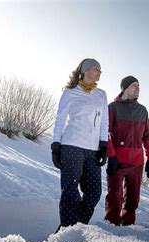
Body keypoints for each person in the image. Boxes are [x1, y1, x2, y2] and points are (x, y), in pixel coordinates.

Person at [51, 58, 108, 232]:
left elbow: (104, 121)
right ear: (85, 71)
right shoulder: (70, 93)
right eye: (96, 68)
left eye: (100, 69)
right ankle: (68, 229)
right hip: (71, 145)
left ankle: (74, 228)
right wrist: (55, 144)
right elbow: (60, 119)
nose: (99, 72)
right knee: (70, 189)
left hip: (92, 149)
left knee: (94, 192)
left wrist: (104, 144)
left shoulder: (101, 94)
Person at [105, 75, 149, 226]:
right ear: (125, 88)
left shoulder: (142, 110)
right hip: (117, 161)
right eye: (134, 85)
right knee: (114, 197)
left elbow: (147, 136)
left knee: (133, 199)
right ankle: (112, 227)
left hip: (137, 162)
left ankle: (128, 226)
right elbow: (104, 133)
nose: (138, 88)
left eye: (139, 85)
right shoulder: (112, 107)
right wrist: (111, 156)